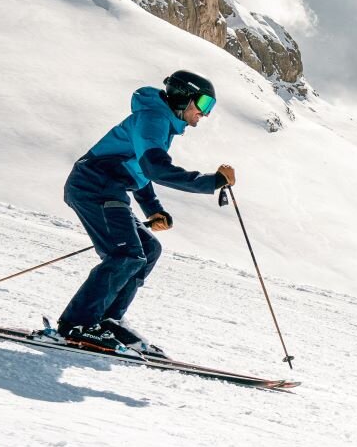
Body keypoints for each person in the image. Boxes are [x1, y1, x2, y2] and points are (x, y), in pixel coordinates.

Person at [45, 70, 234, 355]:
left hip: (107, 187)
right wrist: (211, 182)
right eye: (204, 104)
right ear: (184, 97)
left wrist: (153, 209)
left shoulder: (160, 123)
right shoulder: (153, 119)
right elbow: (154, 168)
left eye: (210, 107)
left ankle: (106, 320)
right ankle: (77, 325)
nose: (205, 114)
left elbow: (137, 170)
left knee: (148, 248)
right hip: (93, 185)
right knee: (126, 254)